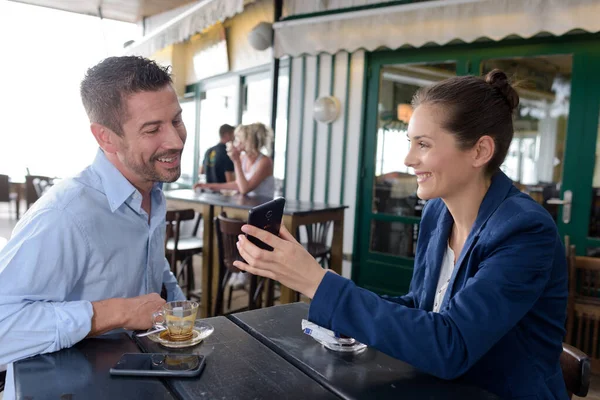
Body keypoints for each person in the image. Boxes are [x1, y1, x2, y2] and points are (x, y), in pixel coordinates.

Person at [234, 70, 569, 398]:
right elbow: (421, 308)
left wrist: (319, 285)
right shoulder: (438, 212)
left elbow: (452, 346)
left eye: (423, 144)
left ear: (480, 151)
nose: (409, 158)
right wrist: (333, 293)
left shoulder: (524, 231)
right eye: (411, 142)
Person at [0, 56, 187, 400]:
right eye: (152, 129)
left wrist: (177, 306)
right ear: (106, 138)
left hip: (130, 379)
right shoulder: (64, 214)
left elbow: (151, 267)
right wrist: (119, 312)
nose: (175, 140)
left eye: (177, 120)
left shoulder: (151, 191)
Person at [195, 122, 274, 197]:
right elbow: (238, 184)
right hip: (248, 205)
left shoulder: (265, 161)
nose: (235, 142)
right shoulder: (243, 158)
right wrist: (208, 186)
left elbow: (244, 189)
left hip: (263, 208)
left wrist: (236, 161)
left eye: (239, 139)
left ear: (248, 141)